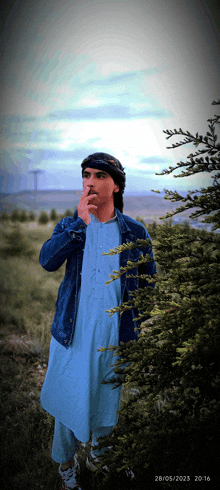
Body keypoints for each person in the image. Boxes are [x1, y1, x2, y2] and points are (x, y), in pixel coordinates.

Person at [39, 152, 157, 490]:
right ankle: (66, 465)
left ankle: (100, 456)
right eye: (86, 174)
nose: (90, 180)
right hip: (72, 336)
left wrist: (135, 318)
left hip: (113, 336)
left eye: (100, 176)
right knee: (67, 401)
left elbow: (149, 281)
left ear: (116, 185)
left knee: (107, 400)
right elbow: (47, 260)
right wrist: (79, 224)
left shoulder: (134, 231)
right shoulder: (71, 224)